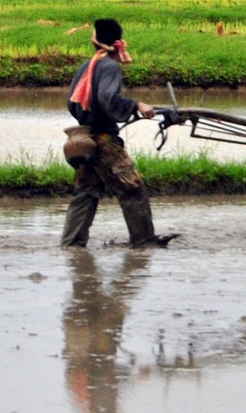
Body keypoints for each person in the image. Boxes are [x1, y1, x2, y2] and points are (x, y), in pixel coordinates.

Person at [60, 18, 176, 248]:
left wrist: (93, 117)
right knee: (132, 188)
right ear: (117, 43)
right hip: (103, 141)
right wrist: (136, 105)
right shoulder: (110, 67)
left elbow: (72, 103)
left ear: (95, 42)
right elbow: (108, 98)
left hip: (84, 139)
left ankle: (71, 246)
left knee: (86, 193)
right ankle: (144, 242)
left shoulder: (86, 67)